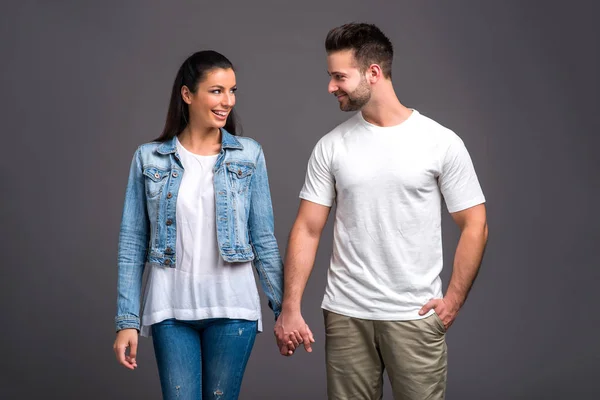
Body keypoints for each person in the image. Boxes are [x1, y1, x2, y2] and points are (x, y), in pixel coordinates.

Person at [275, 23, 489, 399]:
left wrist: (452, 302)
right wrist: (290, 308)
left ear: (373, 73)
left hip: (415, 316)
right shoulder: (331, 146)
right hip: (345, 315)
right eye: (331, 77)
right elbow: (308, 230)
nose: (331, 86)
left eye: (340, 76)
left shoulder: (440, 142)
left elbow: (476, 224)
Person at [113, 50, 284, 400]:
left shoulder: (248, 155)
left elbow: (263, 238)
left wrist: (285, 310)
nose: (228, 101)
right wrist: (127, 321)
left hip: (234, 309)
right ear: (187, 94)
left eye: (232, 91)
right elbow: (132, 243)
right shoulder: (149, 158)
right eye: (217, 91)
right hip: (169, 310)